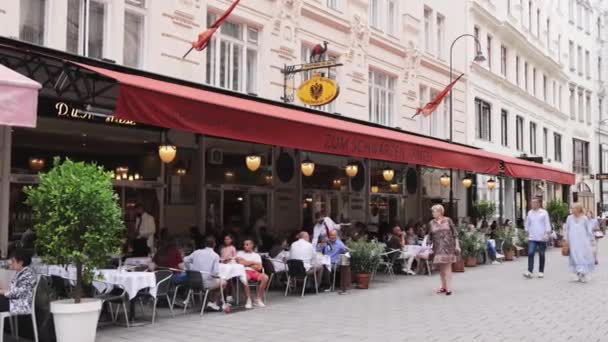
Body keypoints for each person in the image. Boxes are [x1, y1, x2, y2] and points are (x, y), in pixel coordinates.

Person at [183, 236, 226, 311]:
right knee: (223, 282)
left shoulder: (196, 252)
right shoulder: (215, 255)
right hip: (204, 283)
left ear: (205, 244)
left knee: (214, 282)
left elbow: (185, 260)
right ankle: (212, 302)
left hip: (192, 283)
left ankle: (209, 301)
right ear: (214, 244)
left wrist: (190, 268)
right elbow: (215, 273)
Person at [428, 204, 460, 295]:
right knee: (441, 269)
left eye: (434, 211)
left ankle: (449, 288)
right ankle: (443, 286)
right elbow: (430, 236)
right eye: (432, 211)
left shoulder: (448, 220)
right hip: (437, 248)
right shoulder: (431, 223)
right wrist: (429, 247)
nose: (432, 213)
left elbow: (455, 234)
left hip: (448, 247)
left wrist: (457, 245)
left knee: (447, 267)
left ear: (440, 212)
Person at [565, 203, 595, 282]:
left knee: (582, 257)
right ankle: (578, 272)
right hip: (572, 242)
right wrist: (566, 240)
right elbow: (567, 230)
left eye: (574, 208)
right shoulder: (569, 218)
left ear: (579, 209)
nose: (573, 210)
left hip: (583, 242)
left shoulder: (584, 218)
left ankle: (583, 273)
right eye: (572, 208)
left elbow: (588, 230)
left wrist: (591, 240)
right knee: (574, 257)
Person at [0, 249, 36, 314]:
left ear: (21, 262)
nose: (11, 263)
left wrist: (2, 291)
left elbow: (18, 293)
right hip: (16, 301)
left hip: (21, 305)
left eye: (13, 261)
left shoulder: (28, 274)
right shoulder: (21, 272)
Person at [236, 238, 268, 308]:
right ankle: (248, 299)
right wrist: (253, 262)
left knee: (265, 277)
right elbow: (240, 262)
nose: (245, 246)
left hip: (254, 272)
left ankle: (258, 299)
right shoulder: (240, 253)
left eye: (247, 244)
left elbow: (259, 267)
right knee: (245, 278)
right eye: (244, 244)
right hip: (243, 271)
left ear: (252, 245)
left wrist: (246, 262)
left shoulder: (256, 255)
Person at [523, 198, 552, 279]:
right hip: (532, 237)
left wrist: (547, 233)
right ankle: (530, 271)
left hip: (542, 237)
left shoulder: (544, 213)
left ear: (539, 204)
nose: (533, 204)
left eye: (534, 203)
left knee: (541, 254)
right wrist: (526, 231)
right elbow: (527, 223)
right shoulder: (530, 213)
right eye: (532, 203)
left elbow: (547, 223)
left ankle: (541, 271)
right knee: (530, 253)